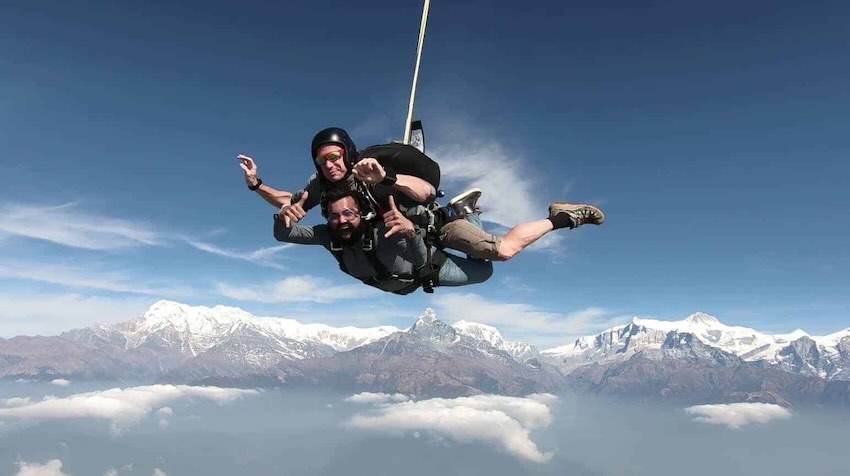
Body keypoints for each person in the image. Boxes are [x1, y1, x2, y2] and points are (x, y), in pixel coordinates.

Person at [272, 185, 605, 295]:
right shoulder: (328, 236)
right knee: (485, 269)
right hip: (409, 275)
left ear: (361, 213)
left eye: (349, 214)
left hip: (427, 262)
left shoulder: (384, 231)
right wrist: (283, 216)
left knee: (500, 254)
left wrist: (408, 232)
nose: (342, 221)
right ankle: (464, 212)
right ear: (326, 218)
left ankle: (561, 217)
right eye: (334, 215)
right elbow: (284, 234)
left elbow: (418, 258)